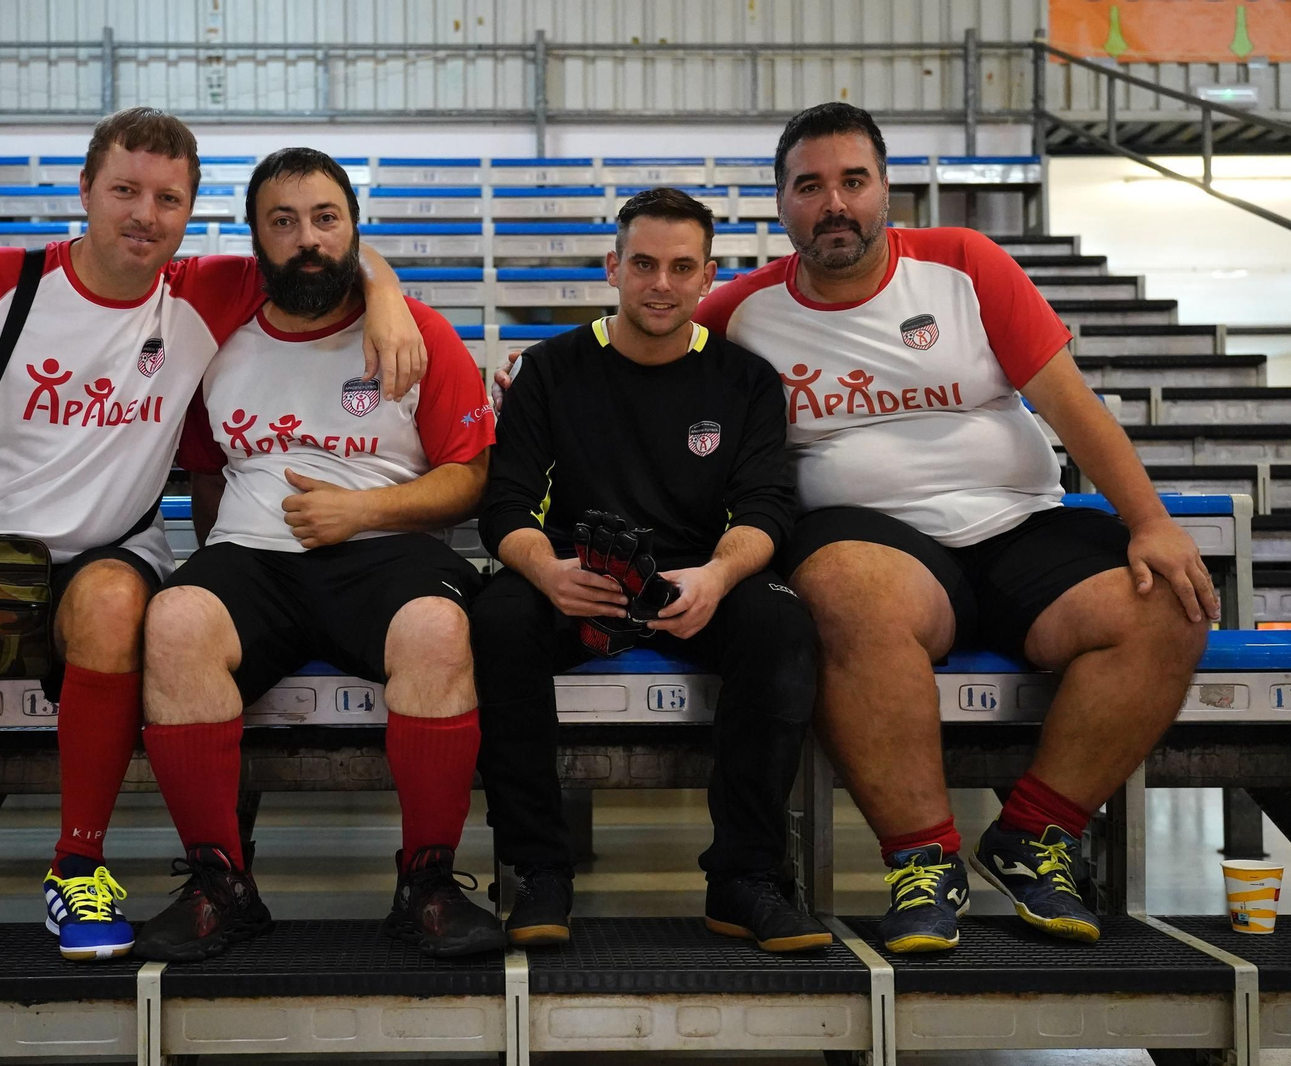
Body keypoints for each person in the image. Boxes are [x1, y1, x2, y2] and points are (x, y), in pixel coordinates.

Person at [0, 110, 426, 968]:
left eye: (168, 199)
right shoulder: (3, 280)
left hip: (107, 555)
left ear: (191, 211)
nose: (144, 214)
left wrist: (387, 296)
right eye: (125, 190)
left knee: (114, 601)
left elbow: (322, 250)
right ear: (85, 190)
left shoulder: (206, 292)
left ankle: (79, 867)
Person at [692, 103, 1214, 951]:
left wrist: (1149, 522)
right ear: (781, 204)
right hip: (875, 540)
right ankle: (923, 862)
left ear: (885, 189)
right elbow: (635, 348)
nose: (835, 204)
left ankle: (1034, 835)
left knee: (1168, 600)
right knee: (841, 590)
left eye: (853, 181)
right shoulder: (744, 311)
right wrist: (543, 372)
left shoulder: (965, 264)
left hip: (1020, 523)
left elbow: (1071, 405)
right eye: (810, 186)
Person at [132, 147, 505, 962]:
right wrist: (223, 558)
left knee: (438, 631)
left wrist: (362, 510)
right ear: (255, 238)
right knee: (176, 621)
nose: (308, 238)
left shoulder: (418, 335)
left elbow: (471, 478)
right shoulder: (217, 342)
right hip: (252, 558)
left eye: (326, 218)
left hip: (386, 554)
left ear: (354, 229)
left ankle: (428, 884)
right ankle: (220, 886)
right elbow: (207, 474)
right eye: (284, 221)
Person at [472, 188, 830, 952]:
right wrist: (548, 571)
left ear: (708, 277)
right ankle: (540, 871)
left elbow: (766, 509)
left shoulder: (745, 380)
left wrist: (719, 577)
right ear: (613, 268)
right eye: (642, 264)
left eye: (680, 267)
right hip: (581, 578)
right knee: (499, 617)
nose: (660, 284)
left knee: (781, 623)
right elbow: (504, 506)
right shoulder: (549, 370)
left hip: (696, 581)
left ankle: (747, 877)